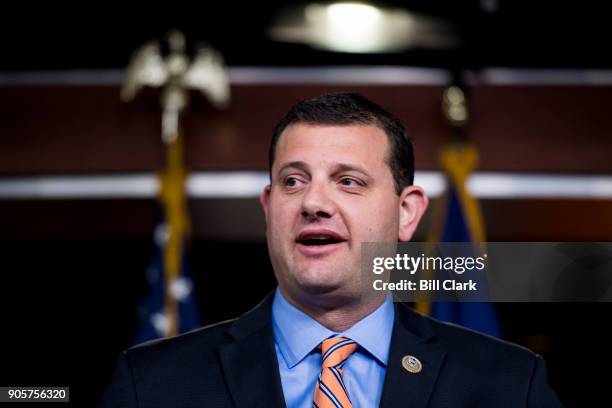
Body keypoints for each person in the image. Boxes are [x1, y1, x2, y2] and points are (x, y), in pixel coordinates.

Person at [98, 92, 562, 407]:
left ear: (407, 213)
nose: (314, 203)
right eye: (293, 181)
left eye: (348, 181)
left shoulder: (508, 384)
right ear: (268, 207)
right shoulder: (152, 385)